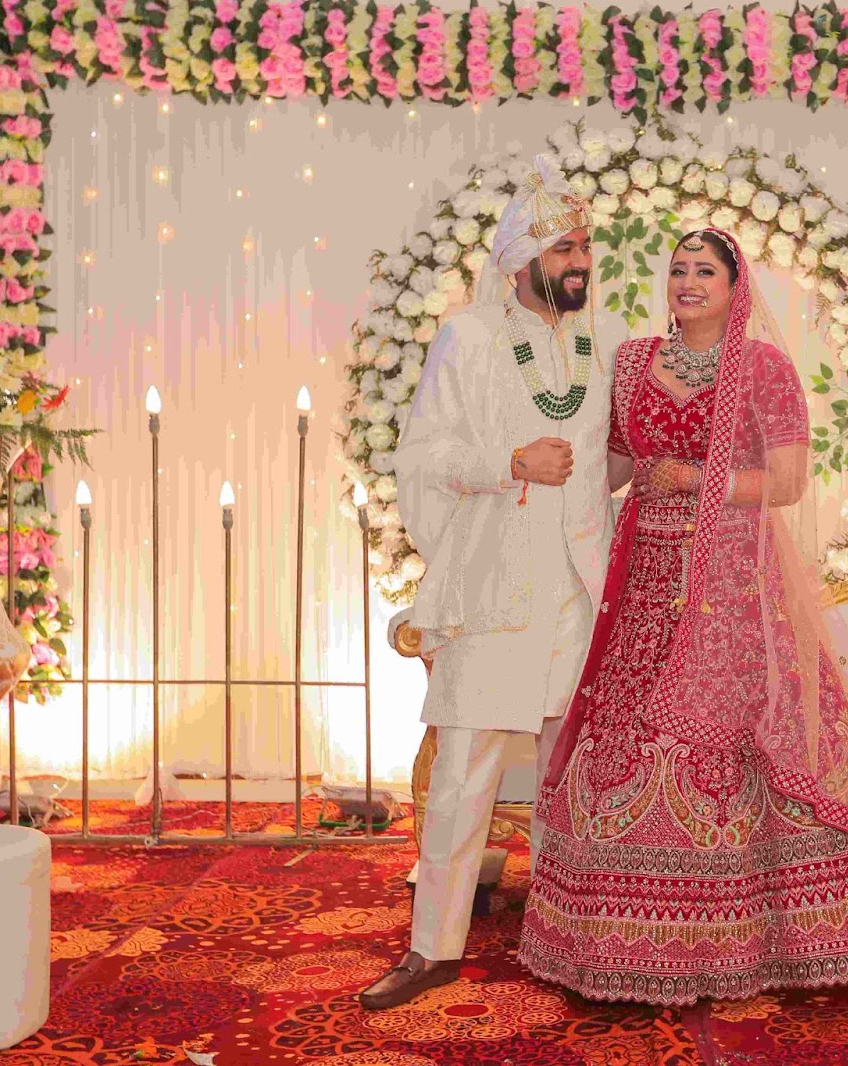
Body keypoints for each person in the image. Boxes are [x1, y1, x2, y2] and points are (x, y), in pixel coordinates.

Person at [518, 228, 848, 1006]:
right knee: (621, 743)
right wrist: (550, 472)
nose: (688, 282)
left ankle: (757, 934)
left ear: (736, 288)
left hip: (730, 583)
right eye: (677, 270)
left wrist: (694, 478)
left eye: (705, 271)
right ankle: (619, 936)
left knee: (732, 742)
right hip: (642, 580)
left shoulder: (763, 368)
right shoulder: (632, 361)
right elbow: (622, 464)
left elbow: (790, 482)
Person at [359, 155, 628, 1011]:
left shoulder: (602, 340)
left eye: (585, 245)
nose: (579, 261)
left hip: (578, 586)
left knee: (565, 773)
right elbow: (424, 454)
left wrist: (648, 467)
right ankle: (432, 949)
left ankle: (559, 942)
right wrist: (508, 461)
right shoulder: (468, 337)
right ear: (521, 260)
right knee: (464, 771)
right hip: (494, 582)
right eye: (563, 248)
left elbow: (604, 462)